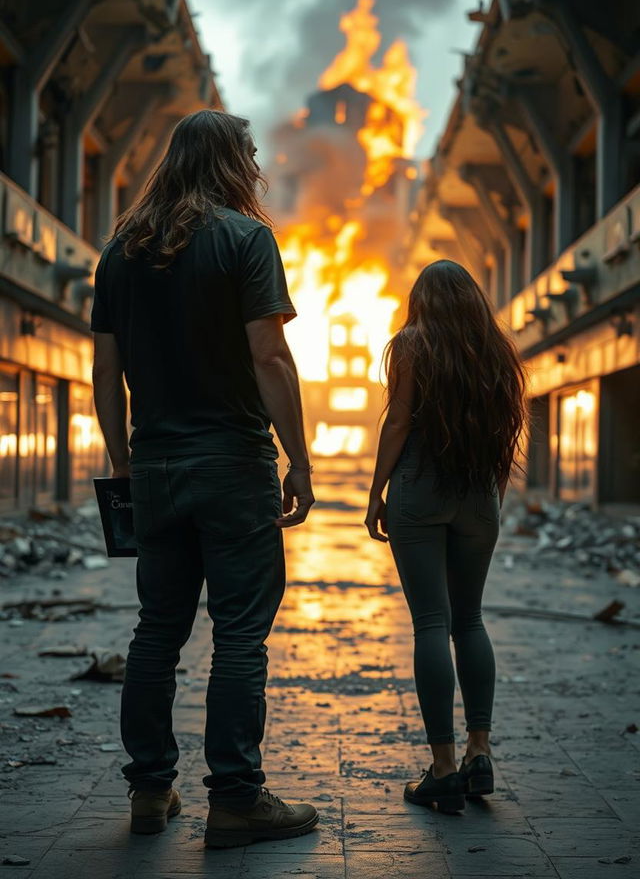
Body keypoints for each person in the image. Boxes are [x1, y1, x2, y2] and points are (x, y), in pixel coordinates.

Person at [91, 109, 318, 848]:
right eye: (248, 153)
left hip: (155, 464)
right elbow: (270, 356)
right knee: (241, 636)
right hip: (233, 463)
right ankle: (236, 800)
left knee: (157, 630)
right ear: (228, 160)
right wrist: (299, 457)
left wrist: (125, 463)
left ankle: (151, 793)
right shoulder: (246, 239)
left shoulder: (122, 252)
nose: (255, 164)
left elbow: (105, 368)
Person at [365, 260, 526, 813]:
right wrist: (492, 499)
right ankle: (480, 752)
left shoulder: (411, 344)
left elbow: (399, 422)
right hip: (480, 494)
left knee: (431, 623)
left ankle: (443, 767)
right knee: (470, 620)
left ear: (422, 301)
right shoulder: (497, 351)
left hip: (420, 489)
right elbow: (507, 429)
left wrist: (376, 491)